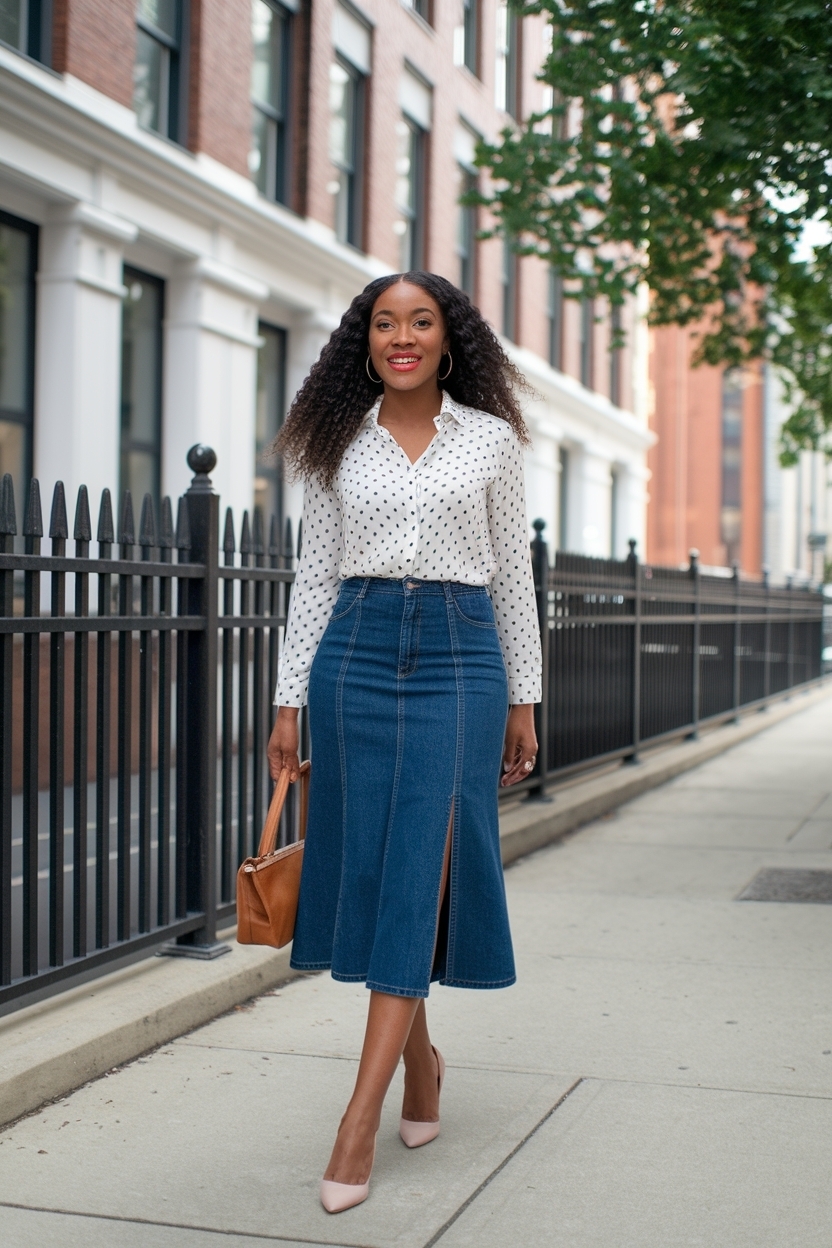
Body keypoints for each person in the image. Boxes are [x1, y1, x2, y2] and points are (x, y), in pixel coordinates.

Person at [267, 271, 542, 1214]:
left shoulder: (493, 442)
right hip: (355, 650)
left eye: (420, 321)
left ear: (449, 337)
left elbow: (514, 580)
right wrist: (287, 700)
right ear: (365, 341)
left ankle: (359, 1118)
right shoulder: (338, 440)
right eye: (385, 322)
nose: (402, 336)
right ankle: (421, 1062)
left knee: (424, 860)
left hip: (462, 662)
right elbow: (311, 578)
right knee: (386, 873)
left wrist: (525, 700)